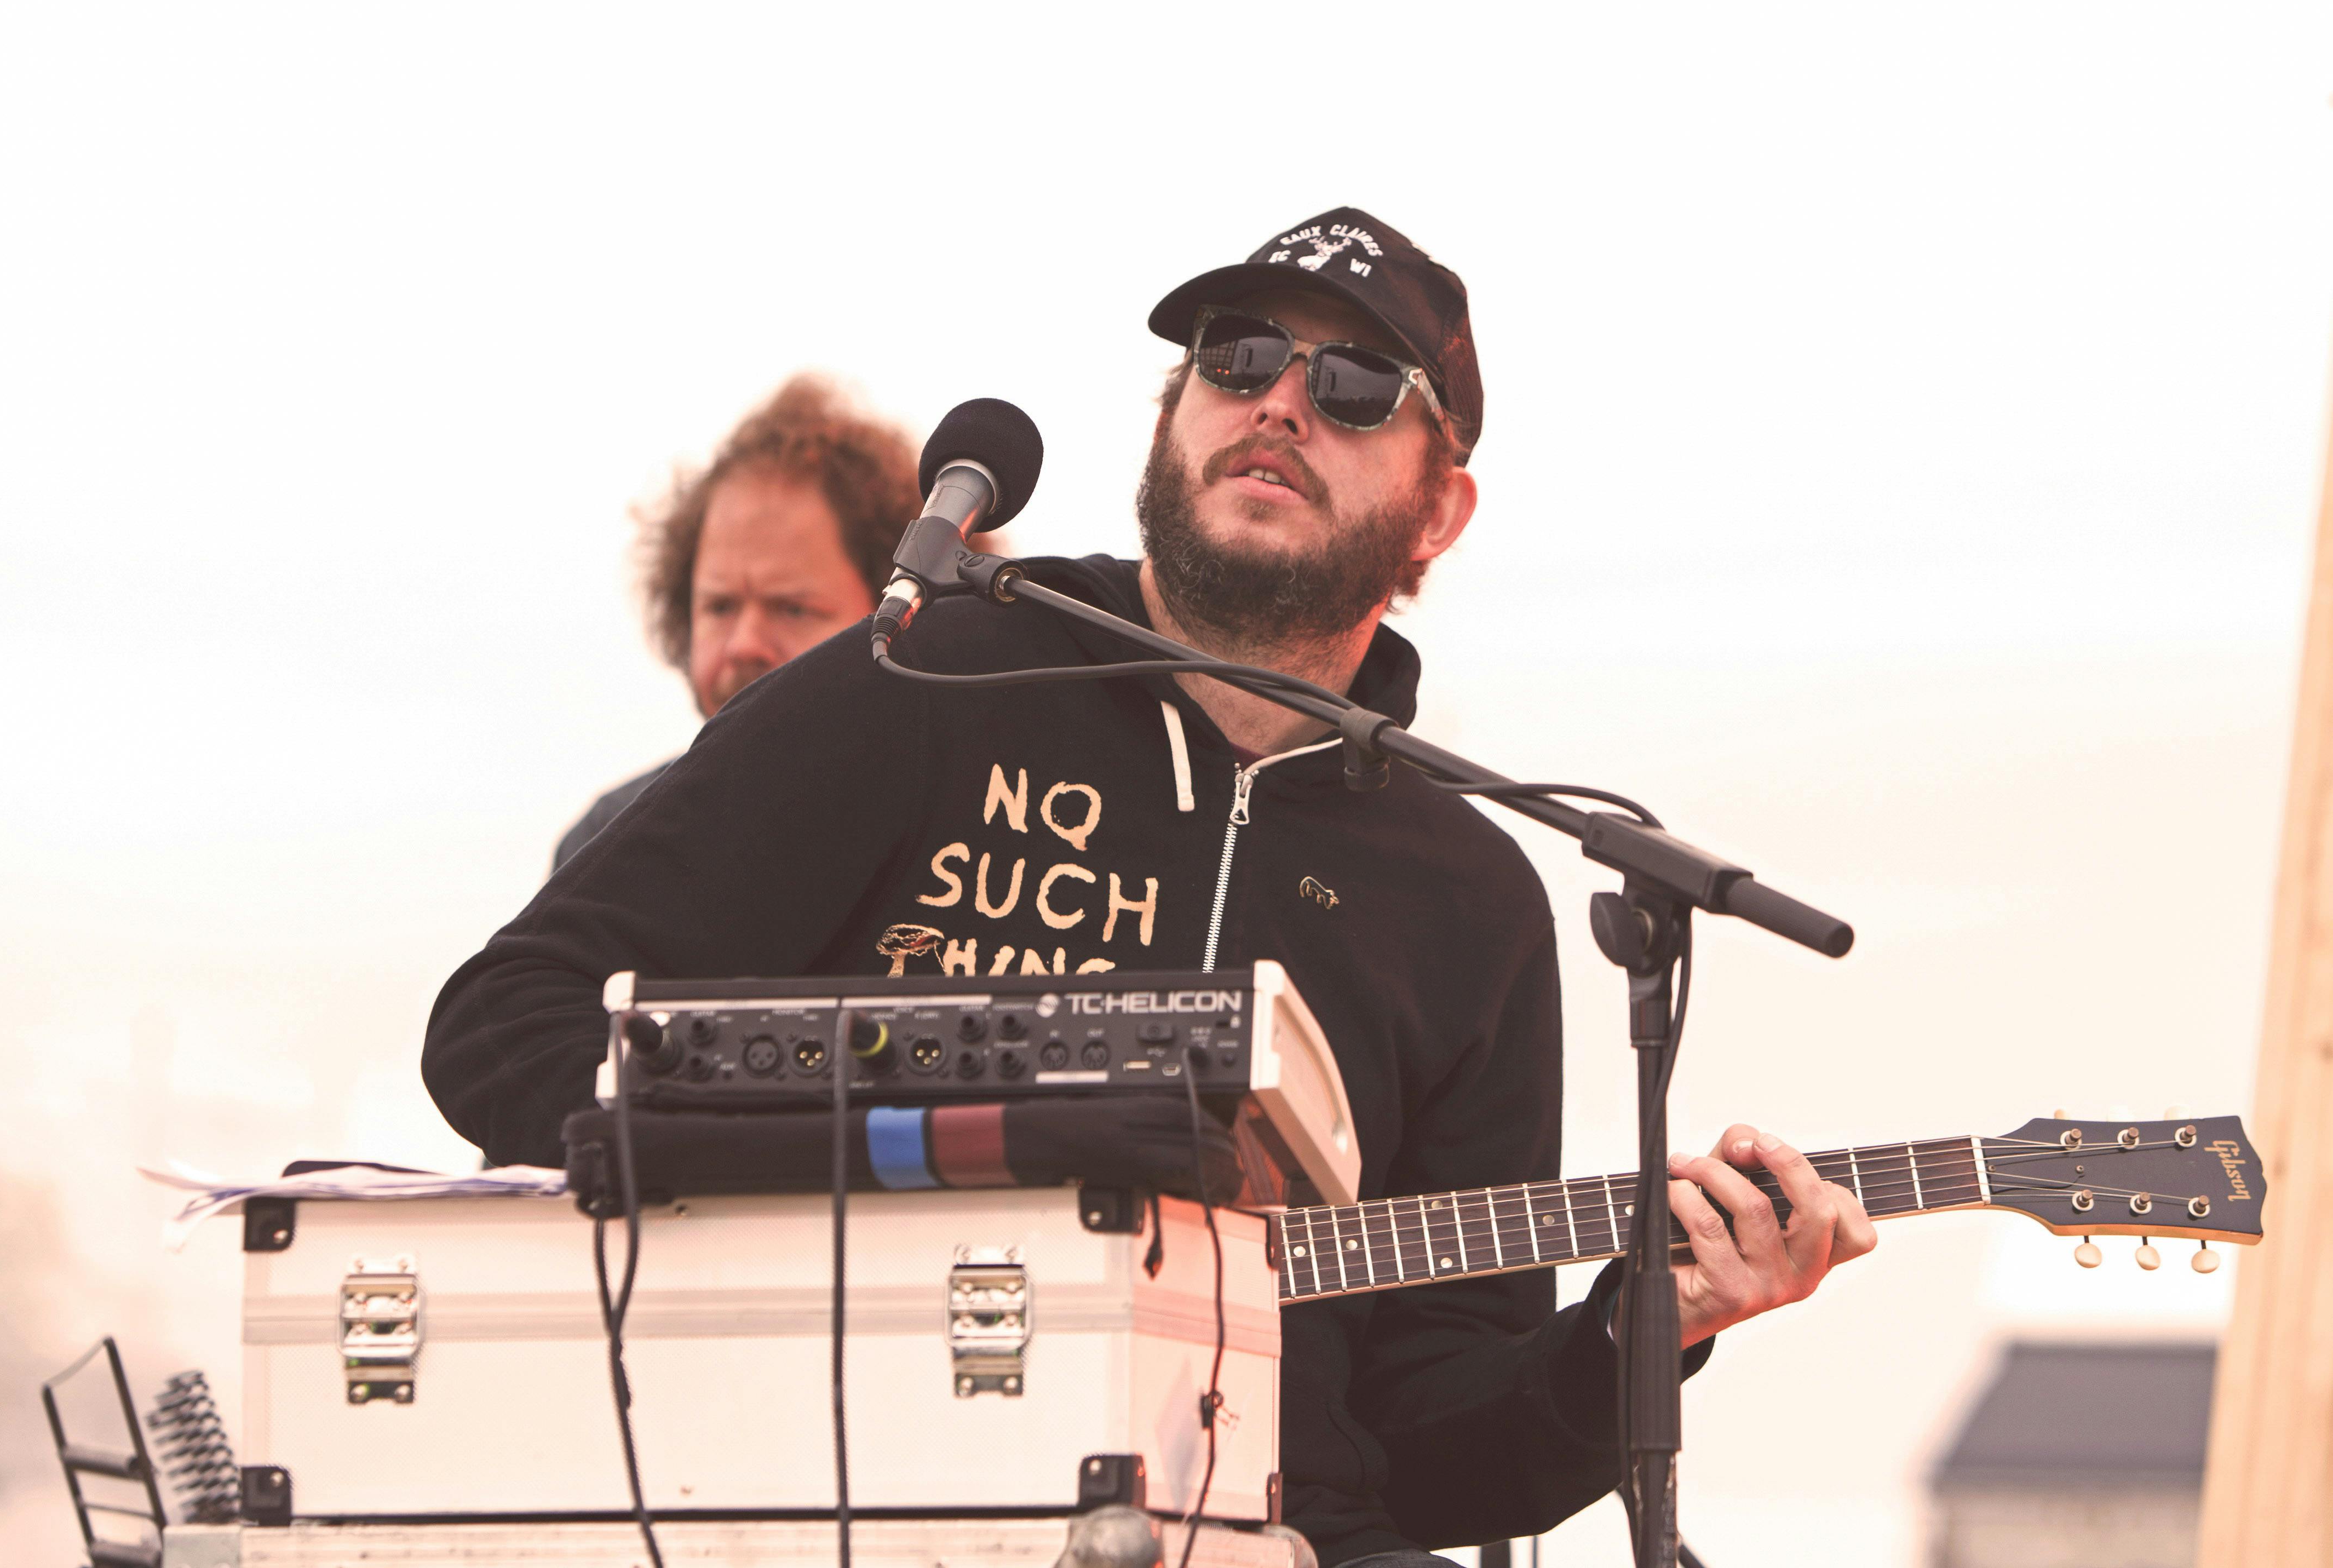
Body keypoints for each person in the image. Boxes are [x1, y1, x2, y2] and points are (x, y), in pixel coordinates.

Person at [426, 208, 1875, 1565]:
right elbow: (505, 1019)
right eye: (1234, 358)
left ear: (1439, 510)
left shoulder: (1471, 891)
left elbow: (1434, 1438)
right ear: (1170, 420)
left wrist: (1645, 1325)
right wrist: (858, 1166)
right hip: (852, 1498)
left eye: (1357, 384)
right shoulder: (922, 678)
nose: (1280, 400)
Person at [553, 376, 929, 871]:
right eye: (719, 607)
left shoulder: (981, 829)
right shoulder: (607, 846)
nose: (743, 644)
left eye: (792, 608)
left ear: (907, 615)